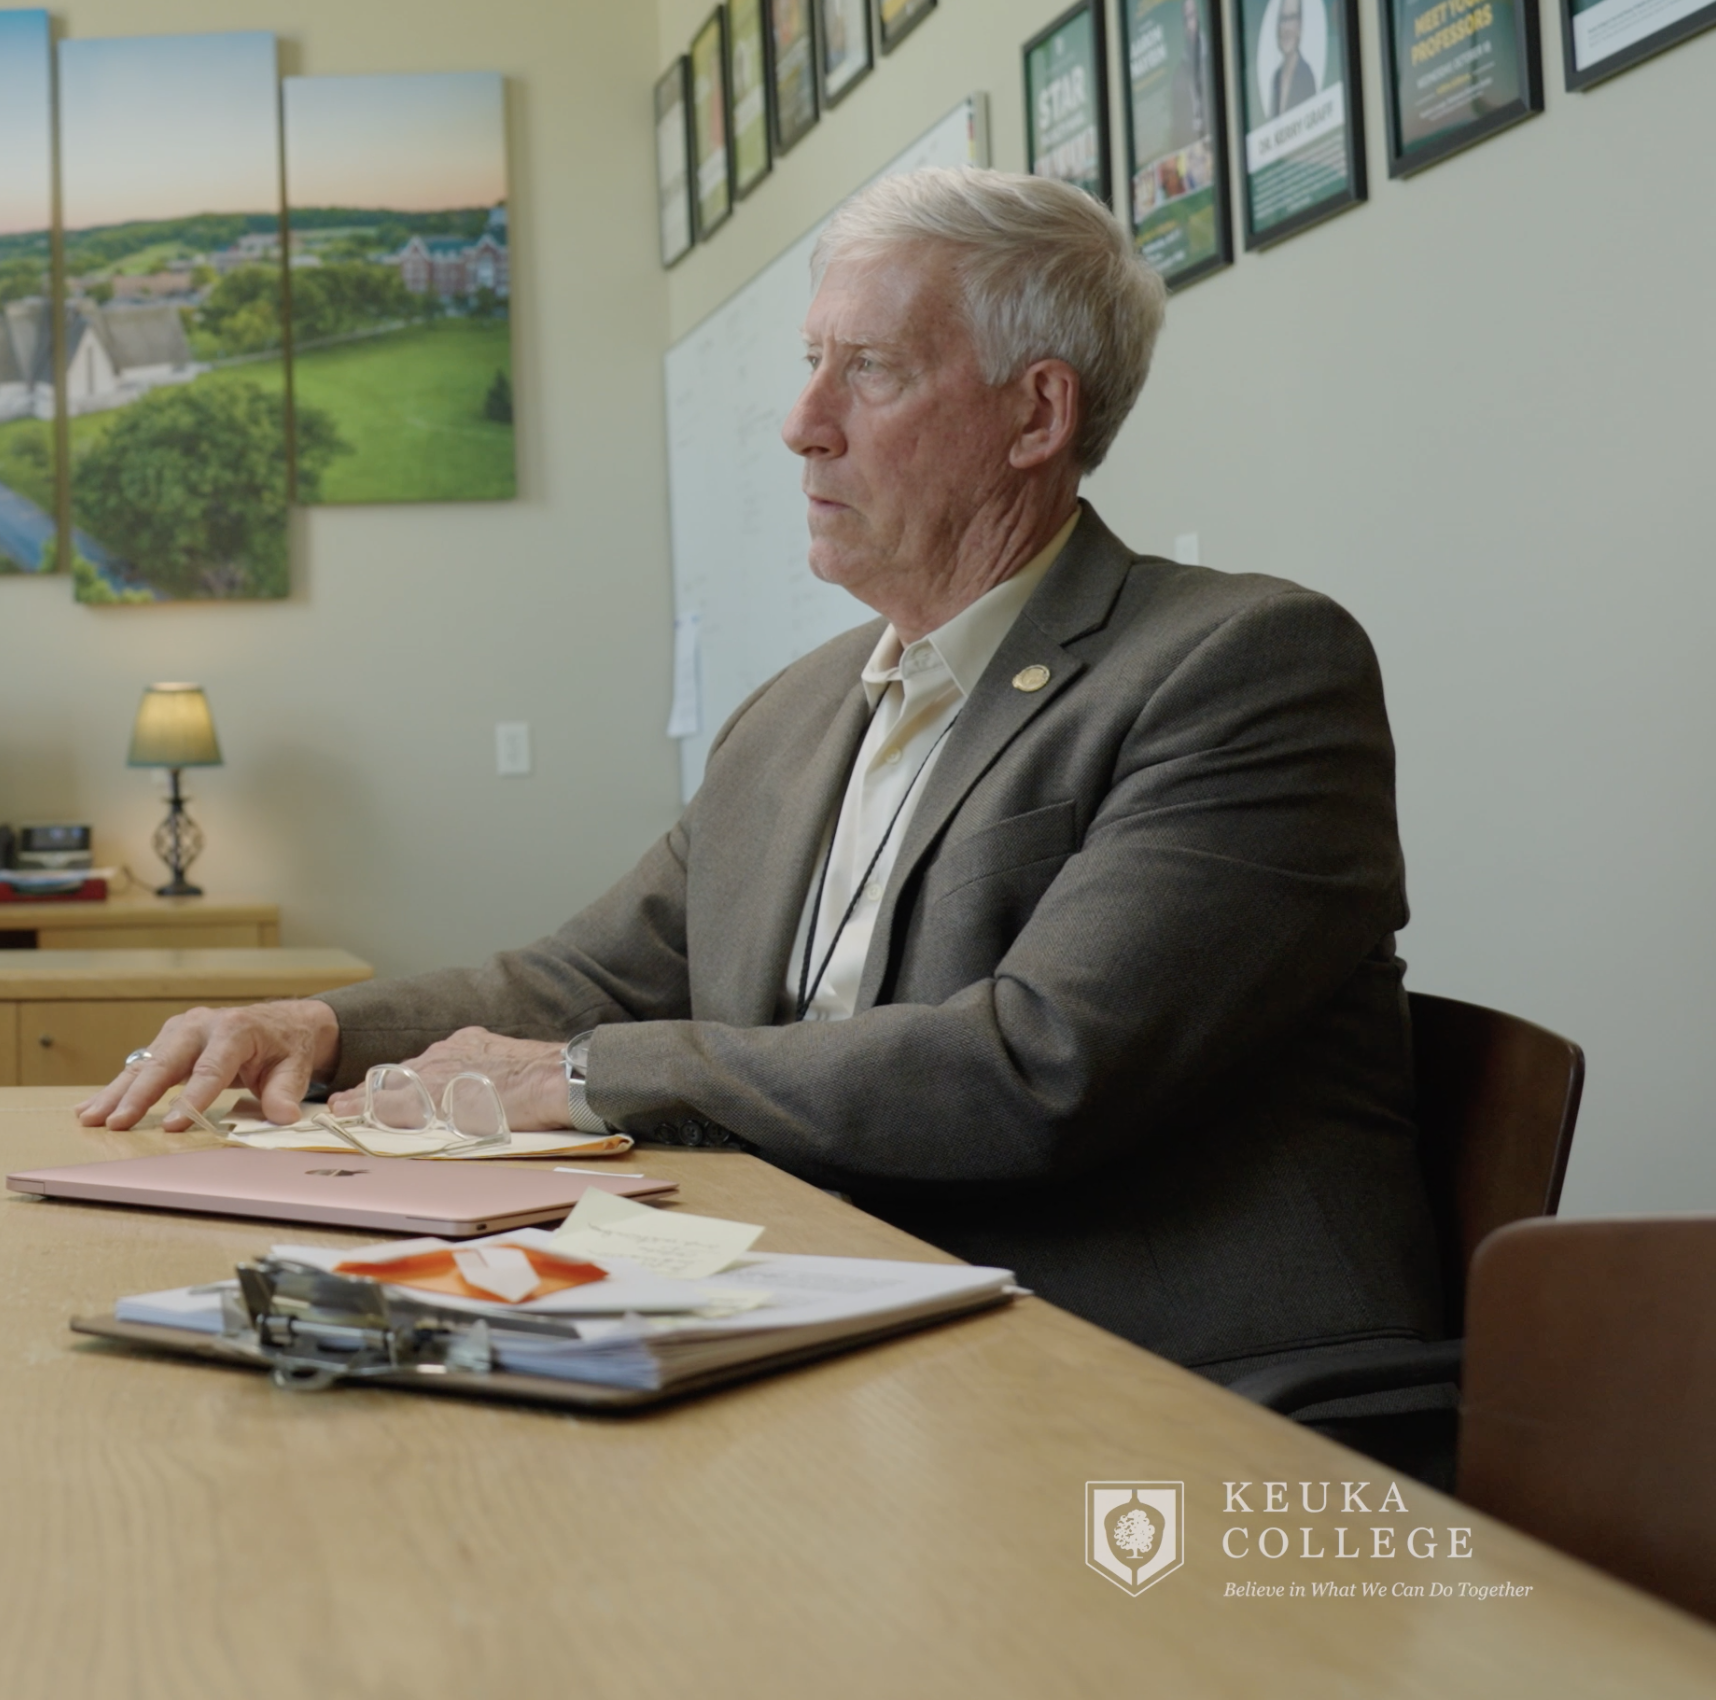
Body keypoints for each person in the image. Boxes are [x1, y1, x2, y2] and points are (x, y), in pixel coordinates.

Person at [80, 168, 1438, 1380]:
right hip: (836, 1315)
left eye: (870, 371)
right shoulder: (792, 714)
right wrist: (317, 1026)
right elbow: (585, 975)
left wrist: (585, 1073)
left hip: (1141, 1375)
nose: (799, 424)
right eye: (806, 364)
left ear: (1035, 413)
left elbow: (1042, 1062)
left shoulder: (1241, 666)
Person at [1265, 0, 1320, 116]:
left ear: (1300, 25)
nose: (1287, 28)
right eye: (1283, 18)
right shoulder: (1276, 78)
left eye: (1292, 18)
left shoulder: (1306, 75)